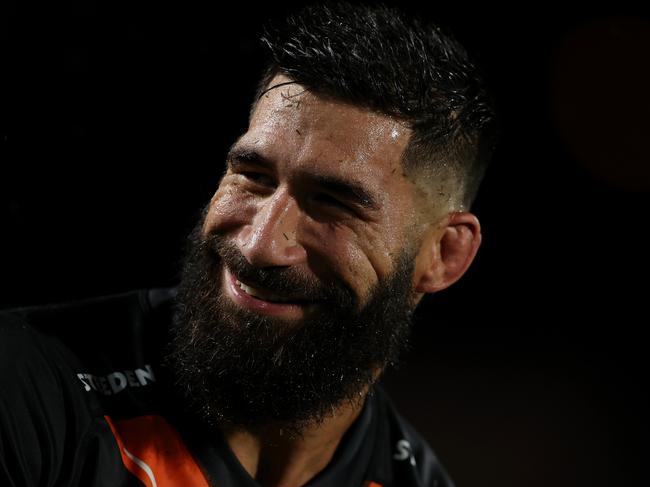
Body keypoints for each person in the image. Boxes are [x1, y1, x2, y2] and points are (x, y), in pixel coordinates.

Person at [0, 3, 497, 486]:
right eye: (253, 176)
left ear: (444, 255)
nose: (260, 245)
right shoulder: (28, 388)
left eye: (333, 204)